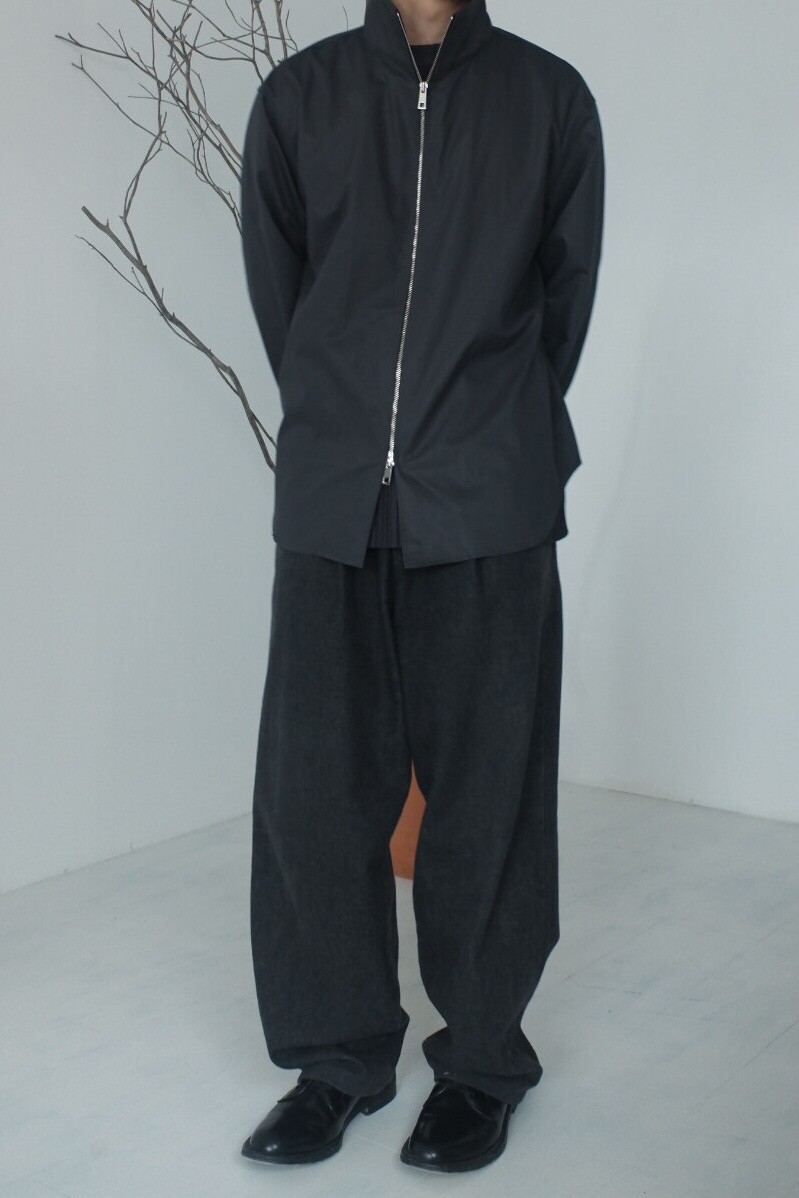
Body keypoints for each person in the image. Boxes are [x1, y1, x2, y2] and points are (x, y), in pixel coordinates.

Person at [238, 0, 604, 1173]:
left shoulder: (548, 100)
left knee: (488, 798)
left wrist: (482, 429)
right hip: (335, 496)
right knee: (314, 796)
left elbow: (562, 301)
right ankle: (337, 1058)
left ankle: (483, 1063)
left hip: (488, 497)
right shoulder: (299, 99)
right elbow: (284, 301)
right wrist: (349, 425)